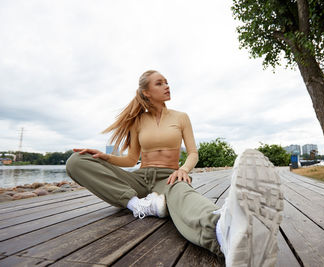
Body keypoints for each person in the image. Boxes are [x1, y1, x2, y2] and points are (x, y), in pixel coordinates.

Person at [66, 70, 284, 266]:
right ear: (146, 92)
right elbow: (132, 160)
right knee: (76, 161)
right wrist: (107, 157)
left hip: (168, 177)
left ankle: (221, 230)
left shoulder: (181, 117)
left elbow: (193, 153)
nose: (167, 86)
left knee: (184, 195)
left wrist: (183, 170)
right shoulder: (137, 121)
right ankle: (137, 206)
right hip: (140, 180)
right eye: (159, 83)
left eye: (167, 82)